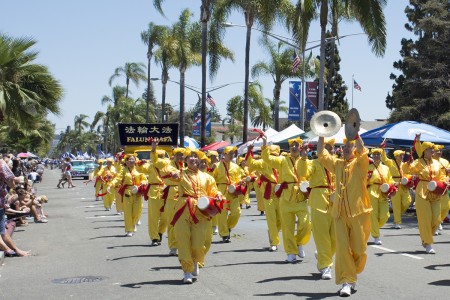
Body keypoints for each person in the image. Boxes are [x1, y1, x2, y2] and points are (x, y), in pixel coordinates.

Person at [317, 135, 371, 297]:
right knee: (342, 249)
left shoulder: (361, 164)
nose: (346, 149)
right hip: (339, 213)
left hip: (359, 213)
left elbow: (362, 151)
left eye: (350, 147)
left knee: (359, 249)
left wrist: (356, 134)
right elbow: (322, 153)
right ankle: (347, 281)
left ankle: (352, 273)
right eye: (344, 147)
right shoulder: (338, 164)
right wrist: (321, 134)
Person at [170, 148, 222, 284]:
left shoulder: (208, 177)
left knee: (199, 244)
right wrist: (173, 175)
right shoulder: (181, 174)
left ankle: (195, 260)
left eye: (195, 156)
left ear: (199, 160)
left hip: (201, 210)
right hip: (183, 208)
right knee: (183, 240)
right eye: (190, 157)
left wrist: (218, 195)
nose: (193, 159)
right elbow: (171, 176)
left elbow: (214, 191)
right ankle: (187, 271)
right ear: (185, 160)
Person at [261, 136, 311, 263]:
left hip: (300, 198)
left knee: (305, 224)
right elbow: (267, 159)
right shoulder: (283, 160)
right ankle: (291, 252)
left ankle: (299, 243)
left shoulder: (306, 161)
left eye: (296, 145)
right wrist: (265, 144)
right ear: (289, 148)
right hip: (286, 198)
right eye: (291, 146)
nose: (293, 147)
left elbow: (310, 175)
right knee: (287, 227)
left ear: (301, 147)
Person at [299, 138, 336, 280]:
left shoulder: (337, 163)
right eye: (326, 147)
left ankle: (322, 256)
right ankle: (326, 266)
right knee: (322, 236)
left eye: (331, 148)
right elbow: (303, 172)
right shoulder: (313, 163)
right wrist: (303, 158)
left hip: (335, 201)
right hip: (318, 200)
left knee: (337, 237)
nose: (329, 150)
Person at [409, 135, 446, 254]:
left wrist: (445, 180)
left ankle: (426, 238)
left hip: (435, 191)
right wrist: (411, 172)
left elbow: (442, 175)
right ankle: (428, 243)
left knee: (437, 218)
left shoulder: (437, 163)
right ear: (424, 150)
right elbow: (409, 171)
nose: (433, 151)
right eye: (431, 149)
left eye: (433, 149)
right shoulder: (417, 162)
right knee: (425, 219)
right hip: (422, 191)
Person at [151, 140, 185, 255]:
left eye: (182, 155)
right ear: (173, 155)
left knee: (183, 221)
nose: (181, 157)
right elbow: (155, 162)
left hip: (184, 194)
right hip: (171, 194)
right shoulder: (167, 164)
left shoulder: (185, 166)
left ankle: (183, 244)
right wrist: (154, 149)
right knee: (171, 221)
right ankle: (173, 246)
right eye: (178, 155)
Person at [246, 144, 282, 252]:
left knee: (281, 219)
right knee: (271, 219)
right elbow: (250, 163)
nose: (272, 158)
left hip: (280, 193)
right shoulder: (263, 162)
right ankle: (274, 242)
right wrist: (249, 151)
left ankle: (272, 233)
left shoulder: (282, 162)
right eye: (271, 155)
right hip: (268, 193)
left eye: (275, 155)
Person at [213, 146, 245, 243]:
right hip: (221, 191)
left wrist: (241, 182)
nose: (232, 155)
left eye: (233, 154)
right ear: (224, 154)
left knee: (237, 212)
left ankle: (228, 226)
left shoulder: (235, 167)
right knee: (222, 214)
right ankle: (224, 234)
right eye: (230, 153)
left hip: (233, 191)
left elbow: (239, 177)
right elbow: (212, 179)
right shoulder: (217, 166)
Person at [110, 154, 148, 237]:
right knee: (128, 212)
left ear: (135, 160)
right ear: (126, 162)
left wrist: (143, 182)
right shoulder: (123, 170)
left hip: (137, 192)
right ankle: (129, 230)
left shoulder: (139, 169)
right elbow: (118, 179)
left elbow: (144, 178)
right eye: (129, 160)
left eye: (132, 159)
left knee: (137, 211)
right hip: (127, 193)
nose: (131, 161)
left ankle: (134, 224)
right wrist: (111, 184)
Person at [0, 157, 30, 257]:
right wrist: (16, 180)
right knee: (2, 231)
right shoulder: (2, 164)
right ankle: (12, 250)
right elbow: (11, 183)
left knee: (3, 231)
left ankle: (14, 250)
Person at [366, 148, 394, 245]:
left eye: (379, 154)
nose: (377, 156)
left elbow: (390, 179)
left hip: (383, 191)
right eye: (375, 154)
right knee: (373, 214)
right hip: (372, 190)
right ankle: (376, 236)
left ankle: (372, 227)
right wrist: (367, 179)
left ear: (382, 156)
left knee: (385, 215)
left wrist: (391, 187)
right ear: (372, 156)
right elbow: (363, 180)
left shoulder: (386, 168)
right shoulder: (368, 167)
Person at [381, 149, 412, 229]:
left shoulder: (404, 164)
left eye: (402, 155)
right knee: (396, 204)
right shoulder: (391, 162)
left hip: (404, 185)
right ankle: (397, 222)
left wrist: (411, 161)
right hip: (395, 185)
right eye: (400, 155)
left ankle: (397, 215)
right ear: (396, 156)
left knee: (407, 201)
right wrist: (383, 150)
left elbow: (410, 170)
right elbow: (384, 159)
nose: (402, 156)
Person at [432, 144, 449, 234]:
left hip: (444, 186)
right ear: (433, 152)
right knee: (435, 208)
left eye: (440, 151)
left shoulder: (445, 161)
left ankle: (438, 221)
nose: (439, 152)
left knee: (446, 206)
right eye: (437, 151)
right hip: (434, 187)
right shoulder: (431, 162)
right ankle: (435, 225)